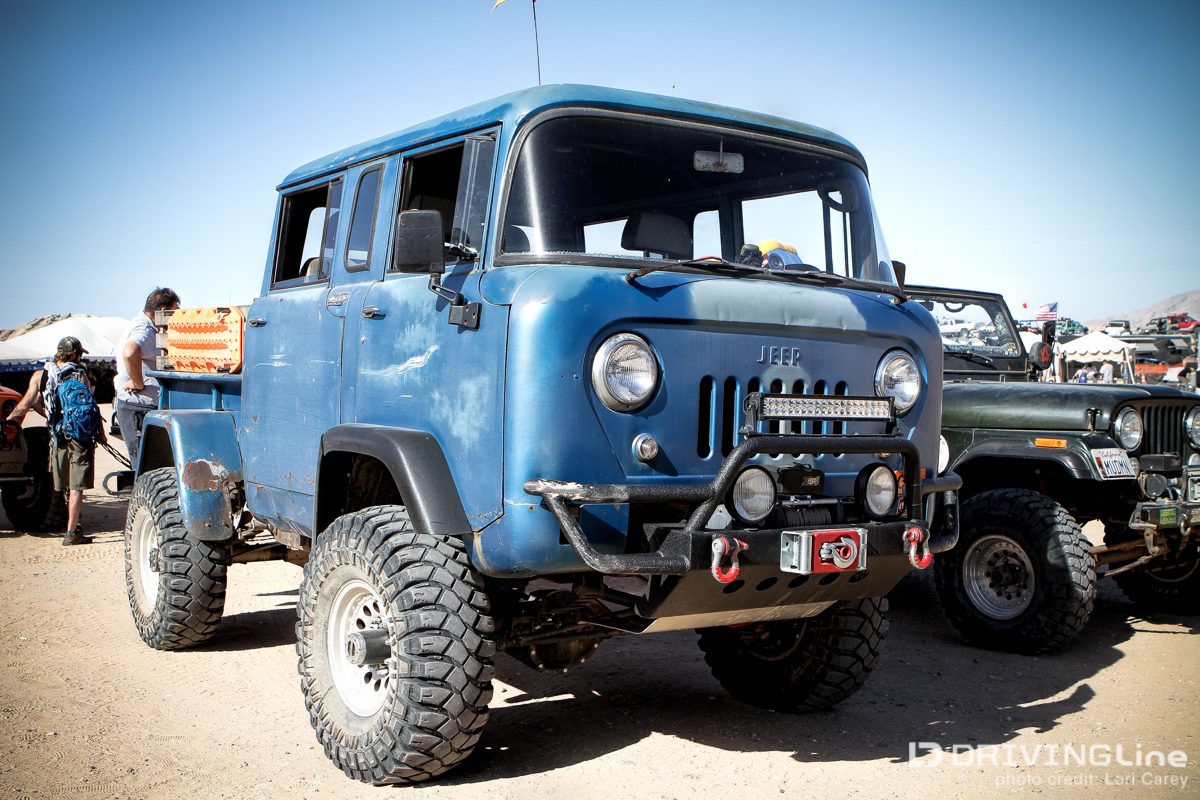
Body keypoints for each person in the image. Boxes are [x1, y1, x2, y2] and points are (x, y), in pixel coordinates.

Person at [5, 336, 107, 544]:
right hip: (80, 435)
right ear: (74, 354)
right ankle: (71, 532)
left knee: (63, 482)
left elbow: (24, 405)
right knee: (77, 485)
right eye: (79, 353)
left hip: (57, 435)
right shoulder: (80, 375)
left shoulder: (41, 375)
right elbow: (90, 406)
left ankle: (70, 520)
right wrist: (100, 432)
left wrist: (8, 423)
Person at [114, 288, 180, 465]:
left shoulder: (145, 326)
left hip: (140, 406)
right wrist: (137, 381)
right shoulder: (144, 329)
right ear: (163, 310)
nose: (177, 315)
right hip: (138, 407)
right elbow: (130, 352)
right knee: (146, 469)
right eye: (175, 310)